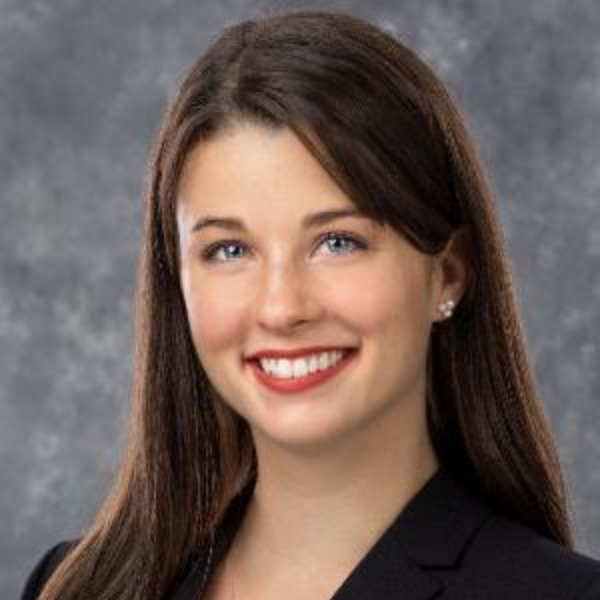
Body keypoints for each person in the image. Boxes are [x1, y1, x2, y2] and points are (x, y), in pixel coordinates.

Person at [20, 9, 600, 600]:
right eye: (228, 249)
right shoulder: (74, 586)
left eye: (337, 242)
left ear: (448, 274)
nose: (281, 307)